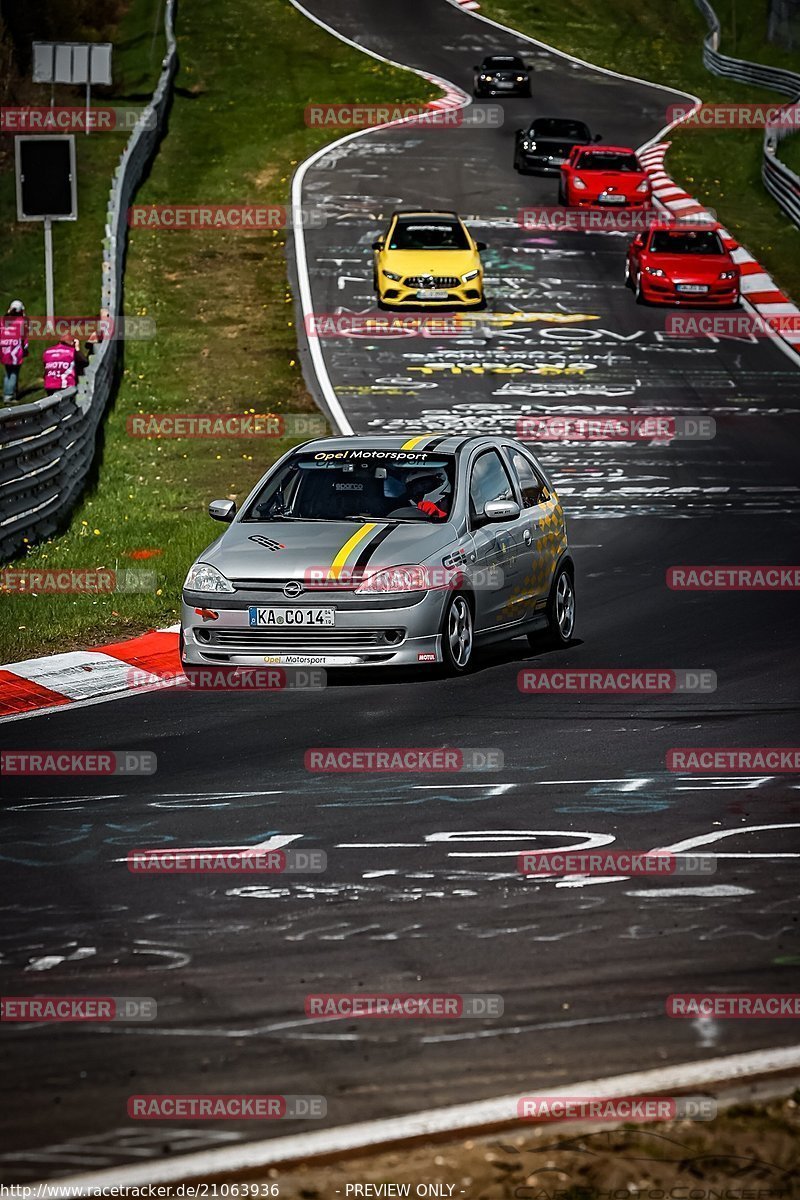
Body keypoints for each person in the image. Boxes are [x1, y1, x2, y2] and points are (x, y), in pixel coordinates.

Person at [1, 300, 29, 403]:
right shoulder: (22, 322)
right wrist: (25, 349)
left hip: (4, 349)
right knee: (14, 372)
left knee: (8, 372)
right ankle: (9, 395)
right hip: (15, 351)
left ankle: (8, 393)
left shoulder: (4, 321)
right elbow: (24, 339)